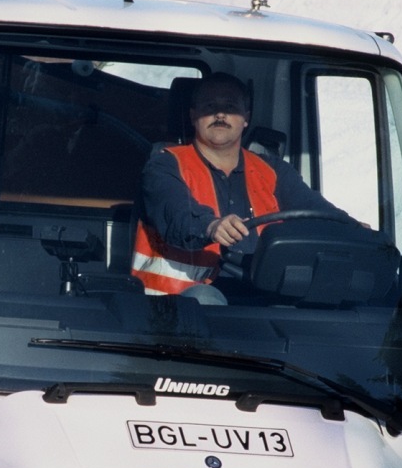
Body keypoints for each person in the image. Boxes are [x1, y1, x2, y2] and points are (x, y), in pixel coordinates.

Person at [131, 72, 353, 299]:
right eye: (209, 106)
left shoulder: (273, 170)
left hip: (262, 297)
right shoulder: (164, 165)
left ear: (246, 118)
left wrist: (351, 227)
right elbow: (176, 213)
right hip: (178, 310)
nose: (220, 114)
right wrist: (211, 226)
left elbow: (314, 208)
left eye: (230, 106)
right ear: (193, 115)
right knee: (204, 299)